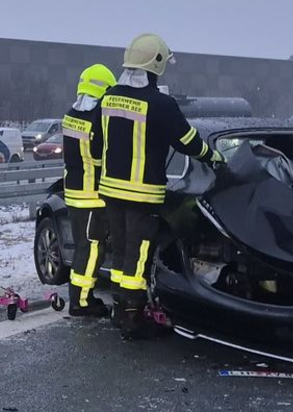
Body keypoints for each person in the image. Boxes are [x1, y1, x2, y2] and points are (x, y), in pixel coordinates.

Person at [99, 34, 215, 339]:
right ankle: (133, 318)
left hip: (111, 190)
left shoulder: (108, 97)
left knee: (122, 251)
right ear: (156, 65)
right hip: (141, 193)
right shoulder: (161, 104)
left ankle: (119, 310)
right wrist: (212, 155)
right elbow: (188, 141)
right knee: (136, 257)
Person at [62, 63, 117, 317]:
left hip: (73, 192)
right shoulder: (97, 118)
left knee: (84, 246)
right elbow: (98, 157)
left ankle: (79, 295)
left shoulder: (71, 113)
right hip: (92, 194)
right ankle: (81, 302)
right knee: (93, 247)